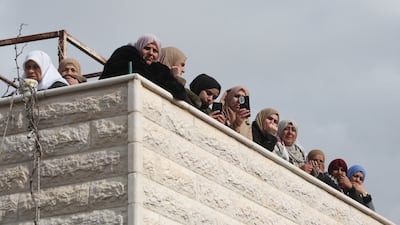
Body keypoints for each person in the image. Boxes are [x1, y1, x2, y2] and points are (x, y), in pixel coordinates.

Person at [99, 33, 186, 100]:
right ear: (139, 47)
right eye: (147, 48)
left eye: (155, 51)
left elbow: (180, 93)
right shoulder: (126, 54)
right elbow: (139, 75)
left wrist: (175, 78)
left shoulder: (158, 68)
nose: (151, 53)